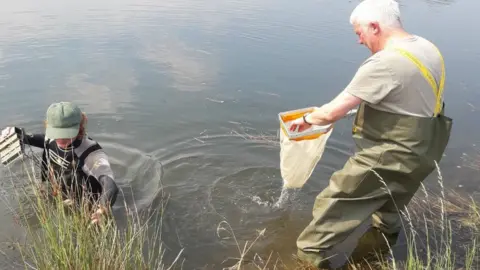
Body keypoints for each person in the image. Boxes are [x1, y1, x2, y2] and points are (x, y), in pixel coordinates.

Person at [289, 0, 452, 268]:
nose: (359, 40)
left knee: (335, 200)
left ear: (375, 27)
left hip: (391, 153)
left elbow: (331, 113)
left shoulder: (383, 63)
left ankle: (308, 258)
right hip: (426, 148)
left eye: (359, 33)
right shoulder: (426, 47)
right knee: (388, 210)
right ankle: (375, 255)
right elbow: (407, 96)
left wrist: (306, 120)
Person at [1, 101, 119, 225]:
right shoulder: (50, 138)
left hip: (87, 203)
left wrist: (102, 210)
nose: (61, 139)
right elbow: (27, 138)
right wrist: (13, 133)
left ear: (80, 126)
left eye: (67, 134)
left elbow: (110, 185)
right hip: (61, 193)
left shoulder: (91, 153)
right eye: (58, 133)